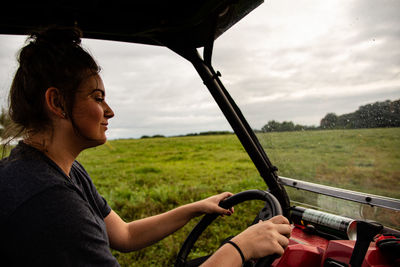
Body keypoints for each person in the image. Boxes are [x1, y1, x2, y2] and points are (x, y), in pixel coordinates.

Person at [0, 27, 291, 266]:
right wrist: (240, 248)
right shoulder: (47, 198)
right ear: (57, 103)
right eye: (98, 98)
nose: (109, 111)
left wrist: (194, 208)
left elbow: (124, 235)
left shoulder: (59, 170)